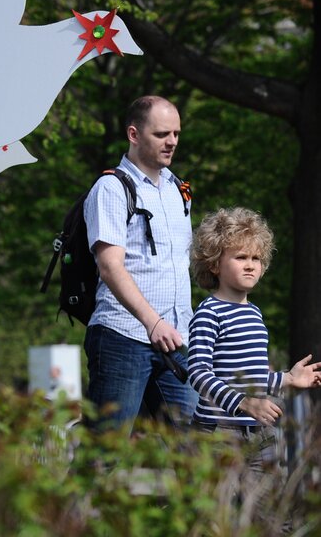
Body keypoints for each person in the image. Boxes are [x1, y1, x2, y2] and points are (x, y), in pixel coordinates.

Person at [187, 208, 321, 526]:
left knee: (269, 517)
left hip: (259, 434)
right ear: (214, 263)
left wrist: (287, 379)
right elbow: (198, 372)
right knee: (214, 519)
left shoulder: (255, 314)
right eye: (240, 257)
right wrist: (243, 403)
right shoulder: (209, 313)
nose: (250, 265)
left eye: (256, 259)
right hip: (217, 435)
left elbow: (252, 375)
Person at [83, 95, 195, 432]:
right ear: (134, 134)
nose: (172, 141)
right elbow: (110, 267)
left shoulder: (180, 190)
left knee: (193, 451)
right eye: (162, 134)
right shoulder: (112, 188)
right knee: (105, 450)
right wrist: (153, 322)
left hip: (176, 339)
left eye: (176, 133)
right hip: (123, 336)